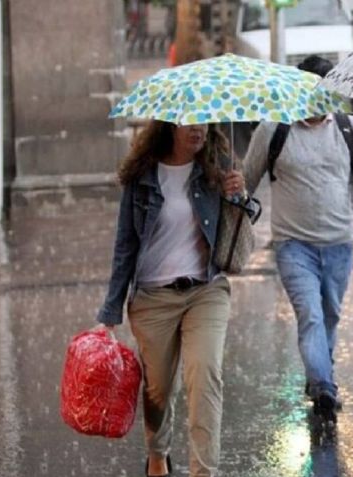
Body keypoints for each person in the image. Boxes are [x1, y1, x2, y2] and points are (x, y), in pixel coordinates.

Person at [97, 120, 250, 477]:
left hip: (206, 290)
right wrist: (111, 309)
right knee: (160, 390)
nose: (198, 130)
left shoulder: (218, 166)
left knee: (205, 375)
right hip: (153, 297)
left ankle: (204, 471)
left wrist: (237, 197)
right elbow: (125, 244)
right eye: (188, 123)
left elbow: (236, 232)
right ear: (170, 125)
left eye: (203, 122)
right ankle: (157, 453)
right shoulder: (143, 175)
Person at [242, 55, 353, 425]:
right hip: (293, 245)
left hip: (339, 243)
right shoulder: (274, 129)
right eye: (312, 89)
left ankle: (320, 374)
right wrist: (231, 211)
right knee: (311, 315)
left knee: (330, 316)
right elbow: (247, 181)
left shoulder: (348, 128)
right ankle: (323, 387)